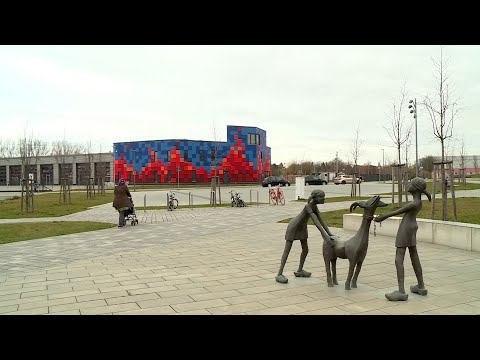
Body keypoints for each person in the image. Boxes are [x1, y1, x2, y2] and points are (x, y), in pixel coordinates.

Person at [374, 177, 431, 301]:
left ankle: (401, 291)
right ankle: (420, 286)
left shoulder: (414, 203)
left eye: (410, 183)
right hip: (412, 227)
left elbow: (397, 212)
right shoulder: (418, 202)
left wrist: (383, 217)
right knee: (414, 255)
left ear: (415, 188)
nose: (407, 185)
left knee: (398, 259)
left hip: (406, 229)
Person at [276, 189, 336, 284]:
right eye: (322, 197)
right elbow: (316, 222)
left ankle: (300, 270)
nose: (324, 199)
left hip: (302, 227)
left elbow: (321, 220)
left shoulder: (314, 207)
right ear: (315, 198)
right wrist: (325, 237)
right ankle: (279, 273)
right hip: (294, 226)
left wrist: (330, 234)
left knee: (305, 249)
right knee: (287, 250)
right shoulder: (308, 207)